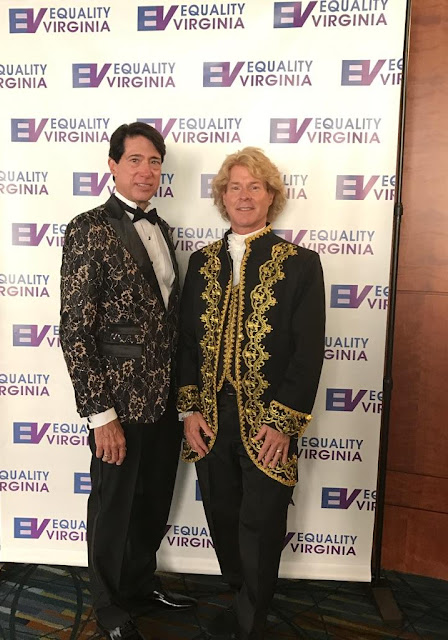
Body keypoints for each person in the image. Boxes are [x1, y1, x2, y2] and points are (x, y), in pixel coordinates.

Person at [177, 147, 325, 640]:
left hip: (267, 418)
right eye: (234, 187)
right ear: (222, 197)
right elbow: (186, 342)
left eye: (254, 187)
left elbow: (308, 351)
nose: (244, 196)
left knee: (261, 522)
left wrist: (283, 422)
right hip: (210, 417)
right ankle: (242, 597)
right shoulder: (201, 262)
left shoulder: (301, 264)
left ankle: (250, 621)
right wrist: (189, 410)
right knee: (222, 515)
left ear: (270, 197)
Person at [60, 122, 195, 640]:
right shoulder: (88, 228)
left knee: (152, 501)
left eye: (155, 162)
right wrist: (101, 415)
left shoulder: (164, 229)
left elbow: (165, 322)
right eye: (135, 160)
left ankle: (139, 586)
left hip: (163, 399)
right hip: (117, 403)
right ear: (113, 165)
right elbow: (75, 330)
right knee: (114, 507)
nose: (146, 170)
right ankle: (108, 605)